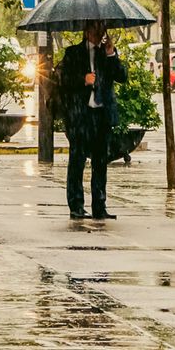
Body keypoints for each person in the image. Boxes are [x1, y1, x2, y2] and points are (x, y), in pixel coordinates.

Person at [58, 22, 127, 220]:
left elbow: (122, 76)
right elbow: (63, 80)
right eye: (95, 30)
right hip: (81, 115)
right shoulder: (73, 53)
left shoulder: (107, 54)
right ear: (87, 31)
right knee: (77, 160)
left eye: (101, 30)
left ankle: (99, 205)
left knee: (101, 161)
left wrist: (111, 55)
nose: (99, 34)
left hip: (102, 114)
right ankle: (76, 205)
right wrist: (83, 79)